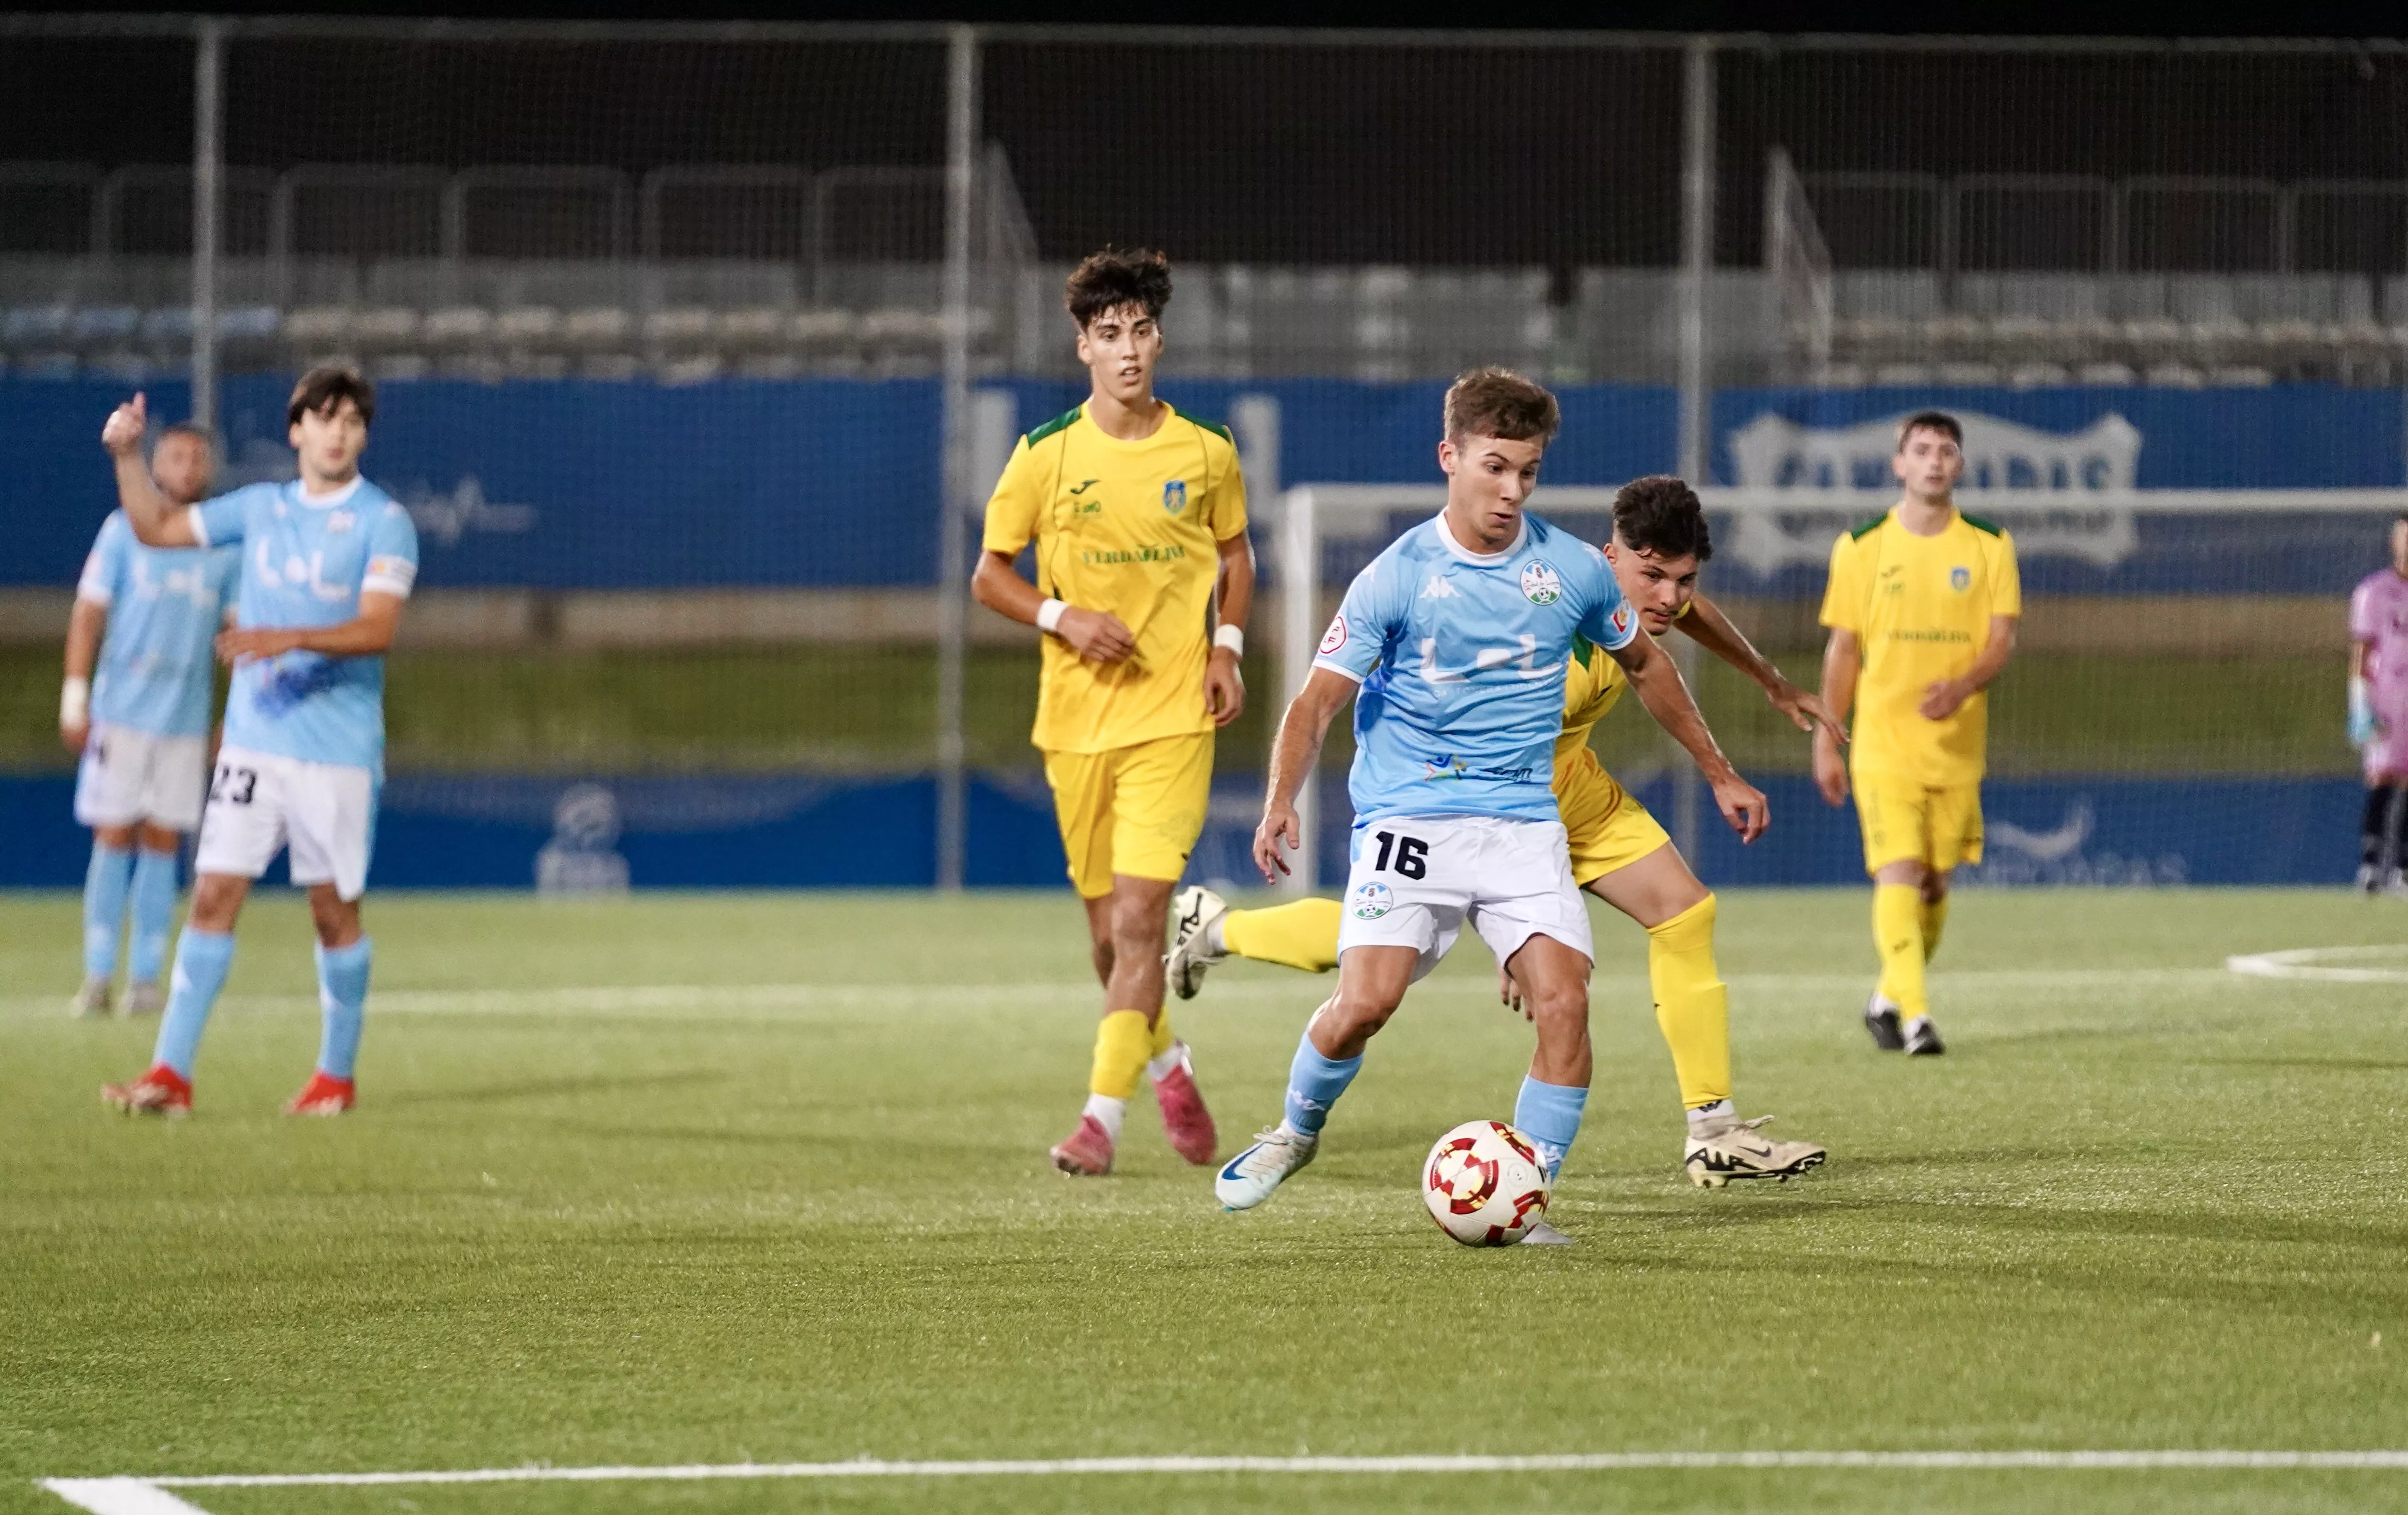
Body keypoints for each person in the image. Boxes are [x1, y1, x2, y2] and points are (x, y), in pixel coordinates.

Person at [1214, 369, 1769, 1240]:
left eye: (1529, 472)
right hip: (1411, 817)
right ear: (1452, 457)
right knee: (1366, 1002)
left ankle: (1524, 1193)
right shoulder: (1395, 578)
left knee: (1566, 1001)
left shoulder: (1573, 571)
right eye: (1496, 467)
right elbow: (1318, 700)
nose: (1512, 490)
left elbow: (1652, 663)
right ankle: (1293, 1132)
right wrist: (1281, 797)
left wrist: (1719, 769)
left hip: (1522, 824)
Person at [970, 248, 1253, 1176]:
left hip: (1172, 723)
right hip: (1075, 725)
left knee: (1137, 926)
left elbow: (1239, 557)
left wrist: (1226, 646)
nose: (1127, 350)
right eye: (1107, 335)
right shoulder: (1045, 454)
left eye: (1139, 331)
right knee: (1109, 944)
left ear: (1158, 339)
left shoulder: (1206, 450)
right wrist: (1062, 616)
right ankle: (1169, 1061)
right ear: (1082, 347)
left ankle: (1099, 1122)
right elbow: (989, 576)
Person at [95, 367, 418, 1117]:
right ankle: (170, 1075)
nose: (338, 432)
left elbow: (378, 629)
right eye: (324, 418)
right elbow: (157, 527)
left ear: (363, 436)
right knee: (211, 894)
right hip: (252, 745)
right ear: (296, 429)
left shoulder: (383, 519)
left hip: (335, 752)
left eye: (352, 422)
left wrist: (289, 636)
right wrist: (126, 457)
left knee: (333, 913)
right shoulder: (262, 509)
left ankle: (335, 1078)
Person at [1812, 410, 2020, 1056]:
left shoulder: (1989, 545)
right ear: (1899, 465)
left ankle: (1886, 997)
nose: (1934, 461)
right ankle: (1919, 1018)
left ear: (1959, 467)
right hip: (1883, 746)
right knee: (1897, 873)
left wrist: (1961, 687)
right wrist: (1827, 736)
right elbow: (1843, 650)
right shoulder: (1861, 545)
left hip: (1957, 750)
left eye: (1946, 451)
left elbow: (2001, 640)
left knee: (1933, 886)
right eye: (1921, 450)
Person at [62, 422, 238, 1018]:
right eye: (177, 457)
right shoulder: (121, 531)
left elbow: (236, 639)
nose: (188, 467)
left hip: (184, 722)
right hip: (121, 714)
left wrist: (231, 719)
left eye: (198, 459)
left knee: (164, 843)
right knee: (114, 835)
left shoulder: (222, 546)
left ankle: (144, 981)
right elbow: (88, 615)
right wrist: (74, 697)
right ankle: (97, 975)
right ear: (156, 468)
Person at [2349, 513, 2408, 894]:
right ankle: (2371, 867)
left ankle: (2403, 869)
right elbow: (2361, 650)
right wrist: (2359, 704)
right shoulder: (2373, 591)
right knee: (2382, 779)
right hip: (2386, 698)